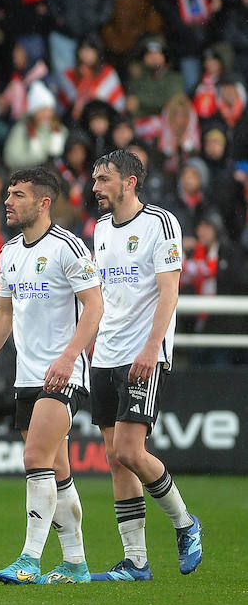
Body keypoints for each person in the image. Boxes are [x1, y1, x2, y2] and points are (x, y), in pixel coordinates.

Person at [0, 167, 105, 585]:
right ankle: (76, 563)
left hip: (64, 374)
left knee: (34, 460)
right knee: (57, 470)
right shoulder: (9, 252)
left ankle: (29, 559)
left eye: (19, 194)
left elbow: (94, 308)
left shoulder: (68, 247)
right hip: (27, 374)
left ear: (43, 203)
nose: (8, 201)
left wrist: (70, 357)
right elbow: (3, 313)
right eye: (8, 193)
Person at [87, 149, 203, 581]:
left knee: (130, 450)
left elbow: (169, 292)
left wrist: (153, 347)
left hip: (143, 352)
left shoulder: (160, 222)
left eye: (104, 179)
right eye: (96, 179)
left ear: (130, 182)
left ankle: (185, 523)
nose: (95, 187)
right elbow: (105, 294)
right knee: (115, 459)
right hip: (107, 352)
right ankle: (135, 560)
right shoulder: (99, 228)